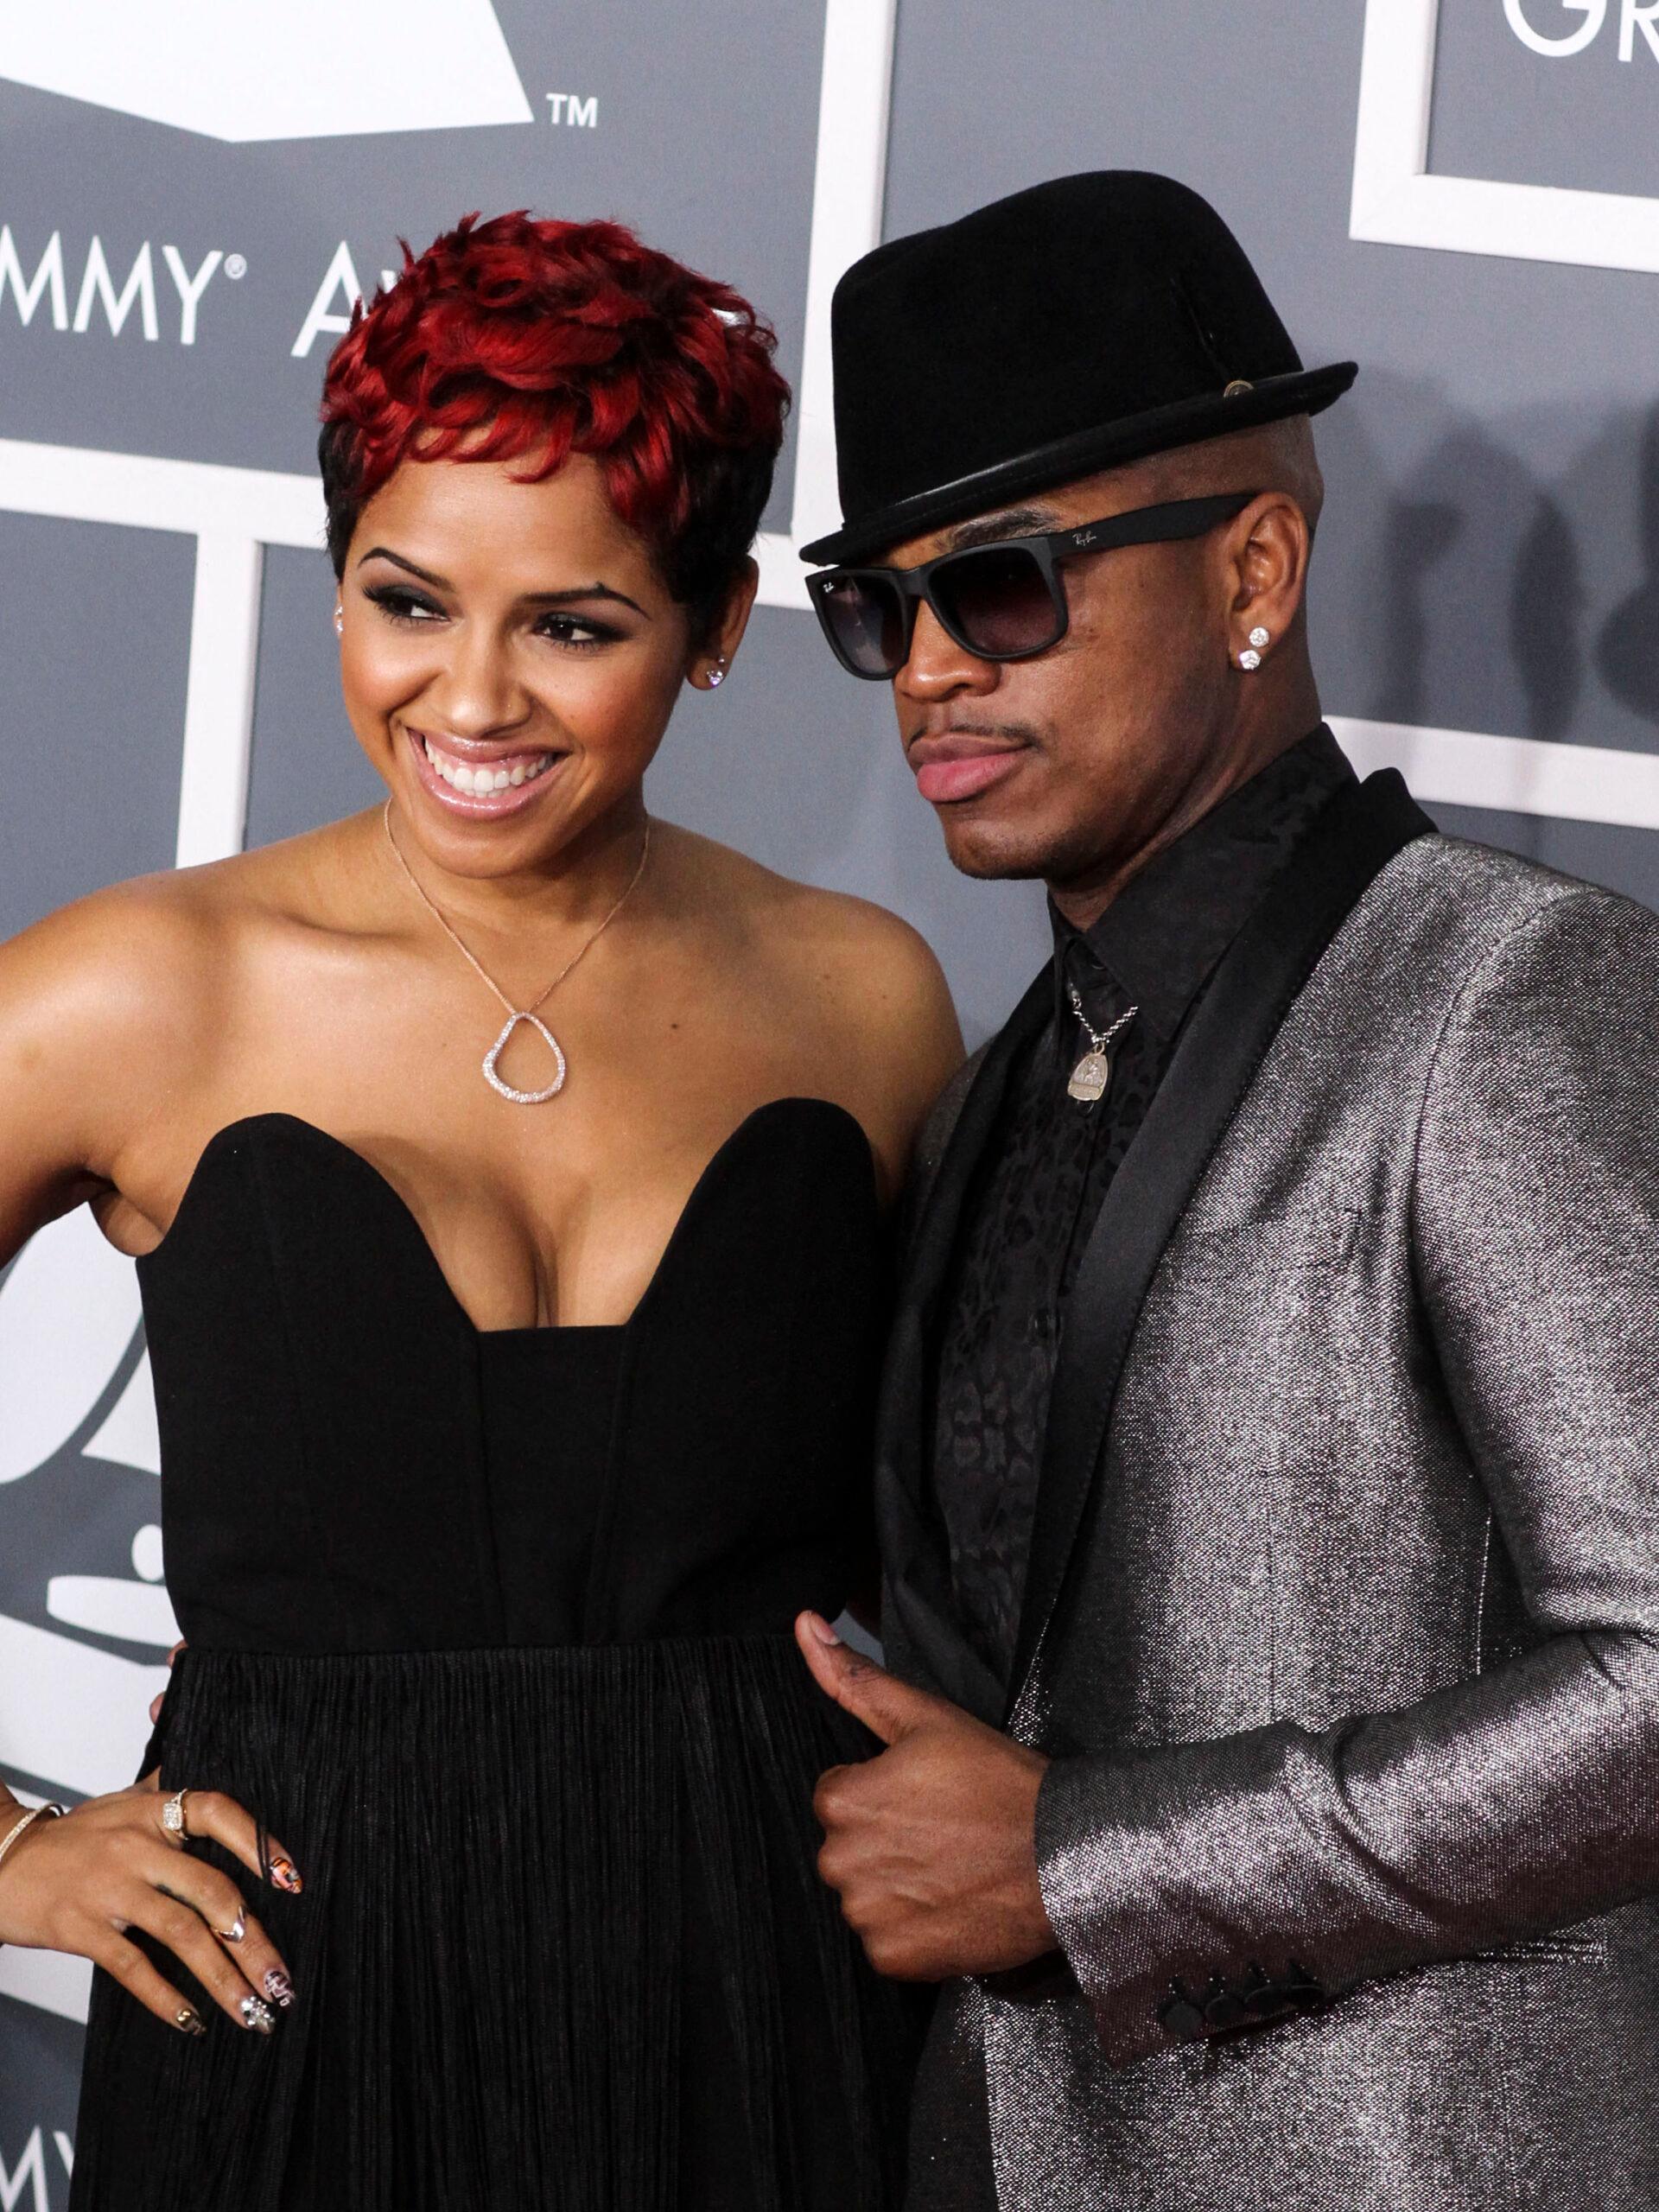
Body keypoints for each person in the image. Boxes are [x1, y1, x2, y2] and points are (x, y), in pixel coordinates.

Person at [0, 210, 960, 2210]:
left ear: (712, 624)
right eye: (405, 600)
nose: (475, 697)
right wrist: (10, 1855)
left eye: (576, 624)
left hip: (769, 2006)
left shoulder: (863, 998)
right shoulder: (139, 988)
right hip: (285, 2005)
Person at [789, 171, 1659, 2209]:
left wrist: (1085, 1857)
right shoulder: (1004, 1066)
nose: (928, 668)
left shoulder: (1505, 997)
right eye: (878, 608)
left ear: (1255, 562)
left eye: (1000, 584)